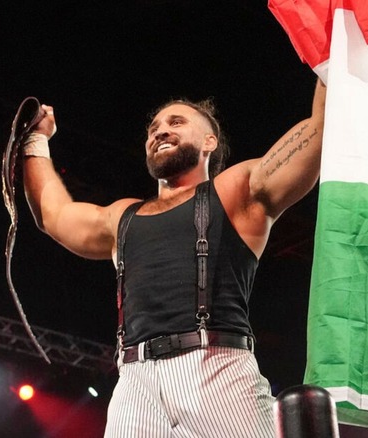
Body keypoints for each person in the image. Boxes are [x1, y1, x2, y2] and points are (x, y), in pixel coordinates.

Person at [22, 78, 326, 437]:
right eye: (153, 129)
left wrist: (335, 45)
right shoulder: (122, 218)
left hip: (218, 371)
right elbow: (53, 215)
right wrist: (34, 138)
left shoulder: (234, 190)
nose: (160, 131)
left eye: (176, 122)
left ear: (209, 142)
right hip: (135, 381)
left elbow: (318, 131)